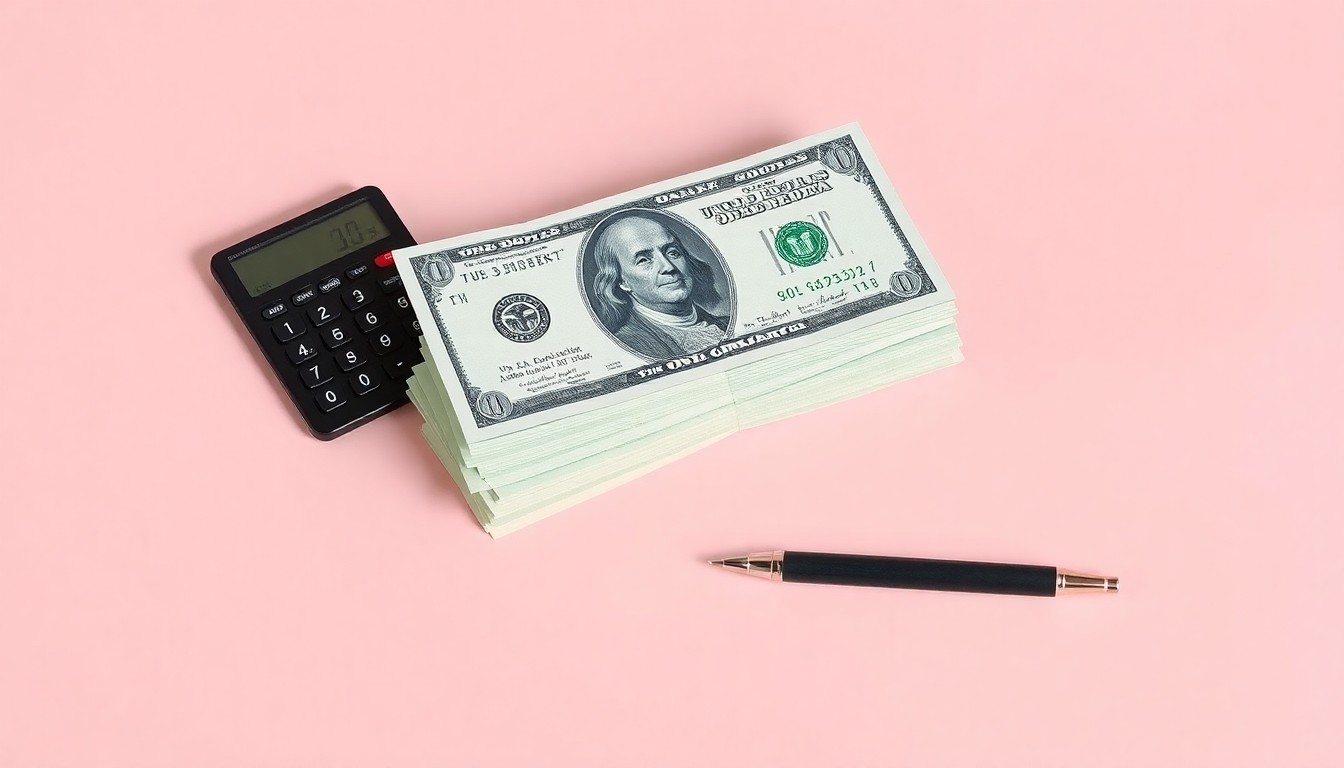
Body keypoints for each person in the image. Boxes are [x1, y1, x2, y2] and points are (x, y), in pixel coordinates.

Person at [589, 214, 730, 359]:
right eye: (643, 260)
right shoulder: (627, 345)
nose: (668, 267)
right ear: (622, 282)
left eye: (672, 252)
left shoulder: (726, 323)